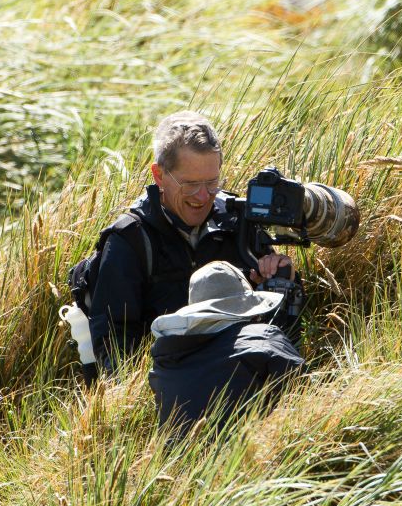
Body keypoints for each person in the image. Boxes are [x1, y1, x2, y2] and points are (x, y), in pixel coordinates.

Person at [87, 111, 295, 370]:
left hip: (241, 375)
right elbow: (112, 344)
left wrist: (281, 281)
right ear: (159, 176)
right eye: (190, 184)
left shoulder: (237, 221)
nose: (202, 196)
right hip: (166, 385)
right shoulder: (129, 241)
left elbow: (281, 328)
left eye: (212, 182)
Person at [149, 261, 304, 430]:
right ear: (246, 304)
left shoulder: (162, 365)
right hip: (252, 453)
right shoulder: (263, 337)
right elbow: (310, 395)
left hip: (179, 456)